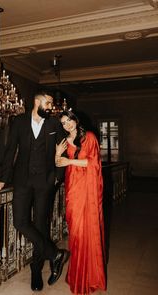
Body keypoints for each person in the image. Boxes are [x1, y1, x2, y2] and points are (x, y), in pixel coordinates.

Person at [0, 90, 69, 292]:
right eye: (49, 103)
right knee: (20, 222)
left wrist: (57, 177)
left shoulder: (54, 124)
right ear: (37, 102)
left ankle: (36, 270)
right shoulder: (19, 122)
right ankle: (54, 254)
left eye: (52, 104)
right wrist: (2, 179)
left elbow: (63, 149)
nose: (51, 107)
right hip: (22, 181)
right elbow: (10, 151)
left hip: (45, 182)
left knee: (41, 226)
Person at [55, 110, 106, 294]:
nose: (67, 124)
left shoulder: (89, 137)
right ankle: (77, 274)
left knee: (86, 231)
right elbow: (60, 163)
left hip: (86, 187)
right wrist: (57, 154)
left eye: (69, 120)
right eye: (63, 123)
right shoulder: (64, 140)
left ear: (76, 120)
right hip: (72, 188)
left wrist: (69, 160)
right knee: (75, 231)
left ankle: (89, 276)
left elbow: (93, 163)